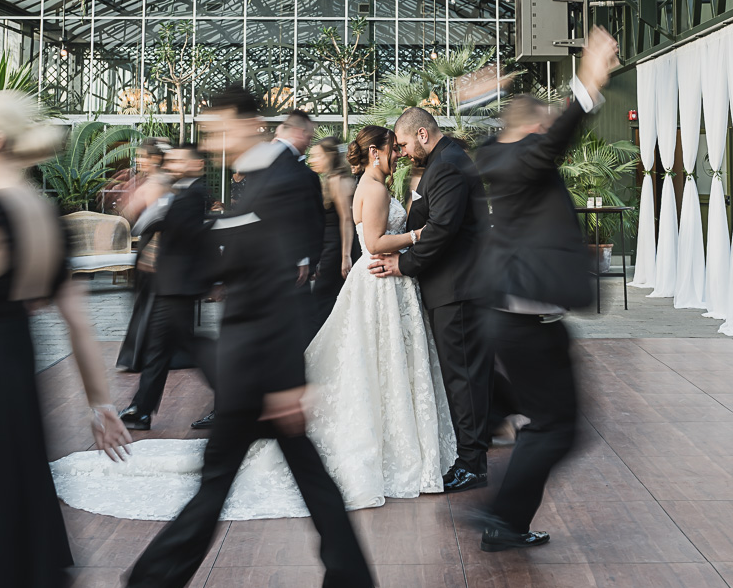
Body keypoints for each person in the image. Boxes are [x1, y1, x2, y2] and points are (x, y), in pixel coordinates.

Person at [84, 86, 377, 588]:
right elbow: (238, 255)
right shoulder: (257, 181)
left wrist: (289, 380)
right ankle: (352, 586)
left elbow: (286, 281)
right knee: (297, 478)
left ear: (248, 123)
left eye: (216, 127)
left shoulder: (286, 180)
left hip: (262, 366)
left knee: (216, 486)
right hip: (253, 361)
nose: (211, 139)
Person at [53, 124, 456, 520]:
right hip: (370, 287)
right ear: (375, 152)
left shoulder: (352, 183)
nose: (399, 154)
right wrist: (418, 235)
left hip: (368, 288)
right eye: (393, 148)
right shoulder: (367, 187)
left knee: (372, 361)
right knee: (376, 360)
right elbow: (376, 240)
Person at [0, 92, 130, 588]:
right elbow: (78, 323)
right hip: (10, 390)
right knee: (9, 532)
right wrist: (99, 402)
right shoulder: (41, 211)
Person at [472, 29, 619, 551]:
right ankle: (498, 517)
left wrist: (484, 98)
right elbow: (555, 138)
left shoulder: (495, 156)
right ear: (535, 128)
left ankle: (505, 522)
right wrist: (589, 80)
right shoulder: (528, 159)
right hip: (526, 317)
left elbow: (501, 136)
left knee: (549, 424)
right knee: (559, 426)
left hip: (517, 314)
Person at [369, 106, 490, 492]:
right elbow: (429, 217)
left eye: (403, 143)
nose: (402, 151)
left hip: (457, 287)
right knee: (464, 375)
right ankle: (479, 444)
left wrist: (403, 265)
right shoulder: (443, 161)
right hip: (451, 286)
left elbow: (441, 229)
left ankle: (472, 464)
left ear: (422, 134)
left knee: (463, 378)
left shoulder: (448, 165)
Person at [118, 144, 214, 431]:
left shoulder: (195, 194)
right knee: (159, 348)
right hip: (169, 283)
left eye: (178, 159)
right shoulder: (182, 190)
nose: (172, 163)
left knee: (191, 347)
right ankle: (141, 410)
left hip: (179, 285)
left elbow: (184, 233)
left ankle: (233, 398)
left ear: (196, 165)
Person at [115, 138, 172, 372]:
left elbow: (160, 220)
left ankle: (142, 355)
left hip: (154, 246)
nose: (139, 161)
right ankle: (139, 355)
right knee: (143, 301)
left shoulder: (160, 183)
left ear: (155, 159)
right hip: (148, 244)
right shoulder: (151, 182)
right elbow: (129, 212)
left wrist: (153, 250)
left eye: (143, 157)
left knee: (148, 302)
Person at [308, 135, 356, 336]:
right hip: (329, 247)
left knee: (322, 299)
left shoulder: (338, 179)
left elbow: (346, 219)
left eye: (317, 156)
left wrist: (345, 256)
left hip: (337, 248)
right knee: (326, 299)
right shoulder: (329, 179)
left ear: (329, 156)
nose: (312, 160)